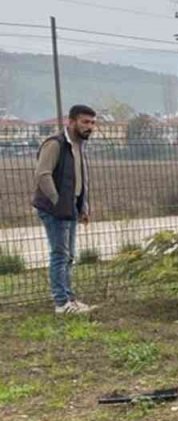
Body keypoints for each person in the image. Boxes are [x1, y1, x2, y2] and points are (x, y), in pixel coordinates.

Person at [31, 104, 97, 314]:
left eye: (92, 123)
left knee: (68, 256)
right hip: (55, 209)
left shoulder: (78, 145)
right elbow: (42, 174)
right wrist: (57, 201)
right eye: (85, 122)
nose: (90, 127)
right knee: (60, 254)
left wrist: (82, 206)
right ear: (71, 122)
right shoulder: (56, 144)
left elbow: (78, 179)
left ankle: (70, 299)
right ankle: (61, 303)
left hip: (70, 208)